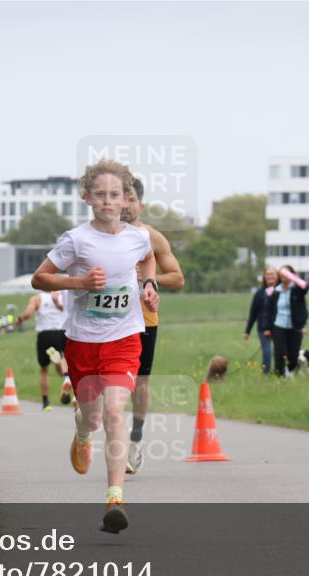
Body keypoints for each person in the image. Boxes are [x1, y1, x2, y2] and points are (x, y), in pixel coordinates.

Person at [31, 159, 159, 534]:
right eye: (100, 194)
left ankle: (115, 497)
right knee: (93, 415)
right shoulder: (76, 240)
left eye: (115, 195)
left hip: (124, 339)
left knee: (115, 411)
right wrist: (80, 283)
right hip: (83, 343)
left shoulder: (139, 237)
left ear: (126, 199)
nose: (108, 201)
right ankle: (83, 433)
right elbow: (40, 279)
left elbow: (148, 259)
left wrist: (149, 286)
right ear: (87, 197)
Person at [121, 178, 184, 474]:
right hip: (109, 321)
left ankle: (135, 439)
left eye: (130, 198)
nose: (125, 204)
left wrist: (149, 280)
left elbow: (178, 278)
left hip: (145, 319)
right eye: (120, 197)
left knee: (140, 382)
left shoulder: (152, 237)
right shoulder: (100, 237)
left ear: (140, 204)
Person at [17, 291, 73, 411]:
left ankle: (46, 402)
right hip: (62, 332)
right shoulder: (64, 296)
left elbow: (27, 314)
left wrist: (20, 319)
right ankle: (66, 377)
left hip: (44, 334)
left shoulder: (37, 298)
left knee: (44, 369)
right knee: (65, 360)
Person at [267, 265, 309, 377]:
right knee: (280, 352)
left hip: (295, 327)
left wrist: (295, 279)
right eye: (281, 273)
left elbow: (306, 287)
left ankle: (288, 371)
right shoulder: (275, 291)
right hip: (279, 326)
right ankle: (279, 375)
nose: (283, 275)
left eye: (286, 273)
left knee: (293, 355)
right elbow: (269, 310)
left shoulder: (297, 289)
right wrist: (267, 327)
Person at [244, 266, 279, 375]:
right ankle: (266, 374)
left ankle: (280, 372)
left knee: (280, 351)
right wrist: (247, 331)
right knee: (267, 352)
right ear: (264, 277)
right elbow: (253, 313)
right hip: (263, 328)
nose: (270, 276)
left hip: (279, 327)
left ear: (277, 276)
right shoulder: (259, 294)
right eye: (268, 274)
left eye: (272, 274)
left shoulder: (281, 291)